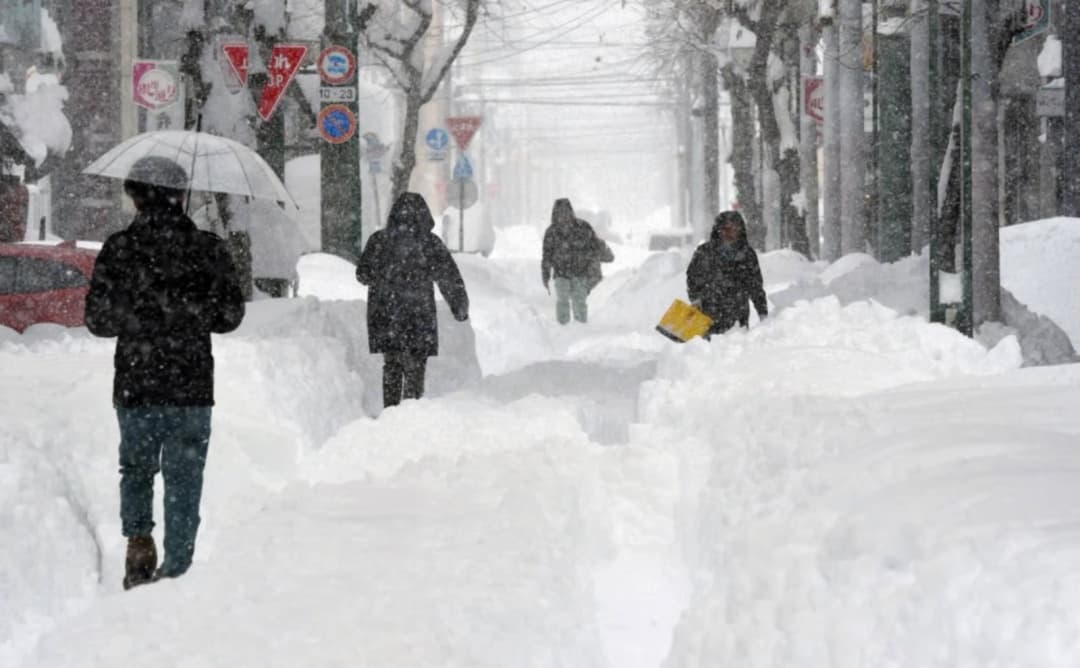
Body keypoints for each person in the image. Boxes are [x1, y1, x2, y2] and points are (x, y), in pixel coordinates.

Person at [84, 156, 245, 589]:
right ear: (181, 196)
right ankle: (177, 567)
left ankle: (139, 540)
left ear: (134, 195)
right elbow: (230, 316)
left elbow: (98, 321)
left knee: (135, 469)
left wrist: (139, 312)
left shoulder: (119, 248)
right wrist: (189, 309)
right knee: (185, 477)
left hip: (136, 385)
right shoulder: (208, 249)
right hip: (191, 386)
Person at [356, 192, 469, 410]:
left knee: (392, 365)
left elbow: (362, 275)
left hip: (386, 316)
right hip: (418, 317)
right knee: (416, 366)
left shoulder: (379, 241)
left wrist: (384, 275)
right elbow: (448, 277)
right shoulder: (429, 243)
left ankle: (390, 410)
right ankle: (411, 409)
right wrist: (459, 306)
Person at [686, 210, 768, 337]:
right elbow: (692, 279)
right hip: (708, 317)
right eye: (725, 229)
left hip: (738, 320)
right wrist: (696, 300)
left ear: (740, 231)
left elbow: (756, 287)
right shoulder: (704, 252)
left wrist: (763, 314)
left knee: (733, 353)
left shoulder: (747, 255)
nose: (729, 233)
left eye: (734, 229)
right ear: (717, 230)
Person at [541, 198, 613, 324]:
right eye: (560, 213)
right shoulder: (551, 232)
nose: (563, 216)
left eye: (565, 212)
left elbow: (595, 244)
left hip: (580, 272)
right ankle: (563, 327)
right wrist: (545, 275)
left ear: (570, 212)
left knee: (579, 300)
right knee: (562, 300)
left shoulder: (582, 227)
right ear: (555, 214)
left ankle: (580, 326)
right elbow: (547, 255)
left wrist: (605, 254)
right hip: (561, 274)